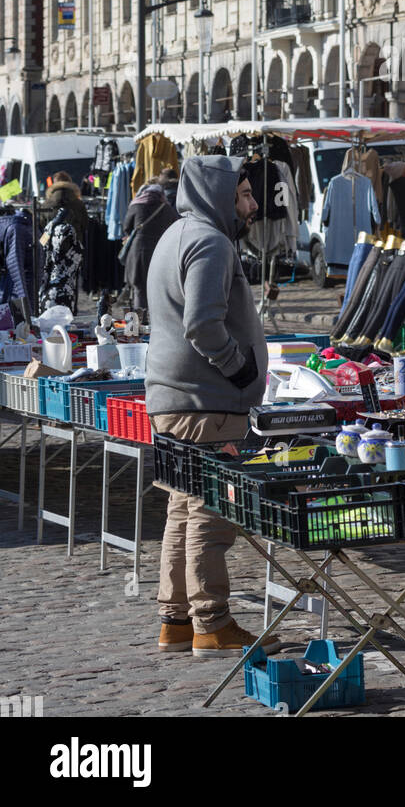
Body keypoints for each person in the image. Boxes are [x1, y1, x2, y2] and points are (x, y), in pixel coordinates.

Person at [145, 156, 277, 658]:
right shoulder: (209, 241)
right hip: (205, 401)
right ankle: (212, 623)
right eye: (244, 194)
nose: (253, 203)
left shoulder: (176, 234)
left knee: (183, 508)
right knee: (209, 512)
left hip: (178, 398)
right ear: (219, 197)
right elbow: (203, 324)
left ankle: (175, 622)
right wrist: (240, 369)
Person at [121, 177, 179, 319]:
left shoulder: (136, 205)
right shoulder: (166, 208)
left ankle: (139, 321)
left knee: (140, 289)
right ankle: (157, 319)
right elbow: (175, 225)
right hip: (161, 252)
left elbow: (126, 227)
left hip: (139, 252)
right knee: (158, 288)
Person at [39, 171, 89, 312]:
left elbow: (40, 228)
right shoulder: (78, 204)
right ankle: (71, 308)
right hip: (73, 251)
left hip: (51, 251)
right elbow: (85, 225)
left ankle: (50, 307)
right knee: (72, 280)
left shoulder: (46, 204)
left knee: (50, 278)